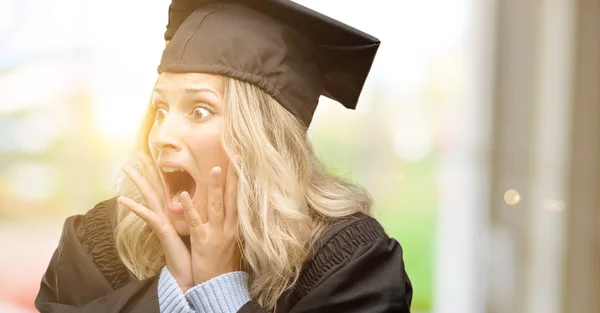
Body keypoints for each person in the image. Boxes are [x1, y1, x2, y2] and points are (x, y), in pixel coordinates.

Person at [34, 0, 413, 312]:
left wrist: (221, 293)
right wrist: (172, 294)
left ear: (263, 139)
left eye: (200, 110)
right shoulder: (102, 245)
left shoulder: (350, 264)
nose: (162, 135)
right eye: (160, 110)